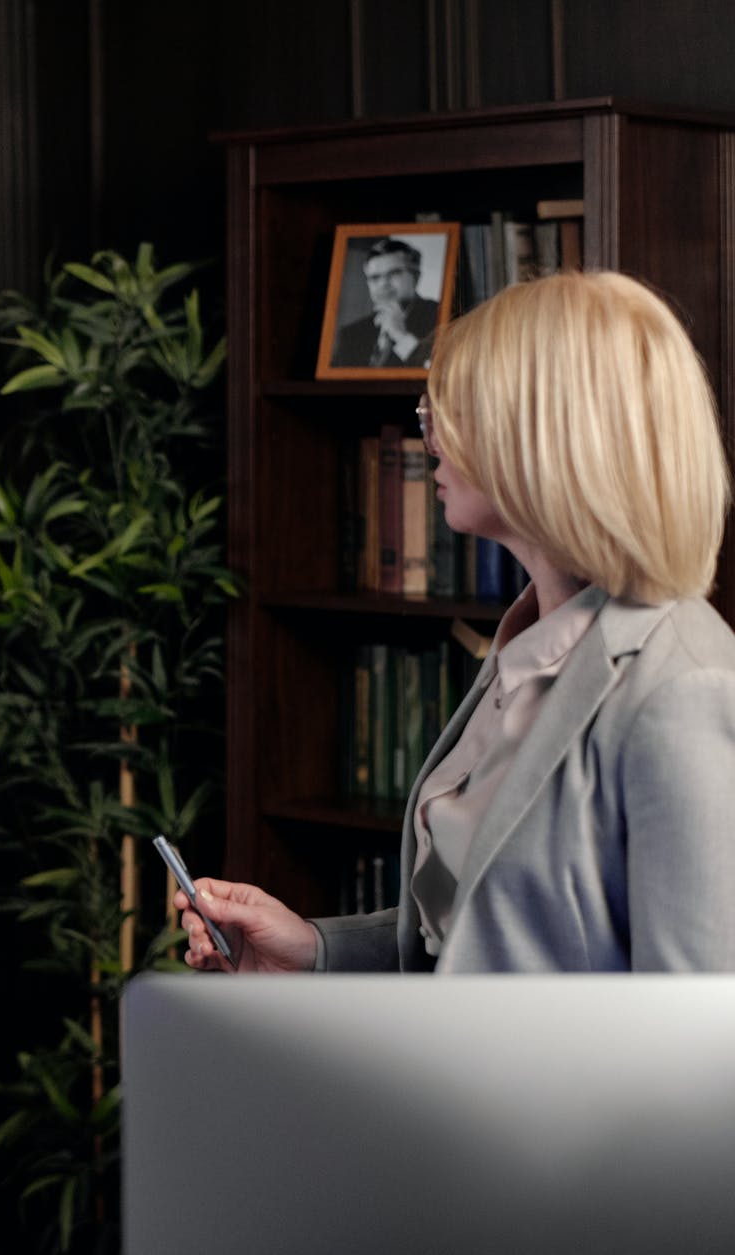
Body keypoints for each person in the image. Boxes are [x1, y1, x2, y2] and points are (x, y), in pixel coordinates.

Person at [187, 270, 735, 974]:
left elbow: (699, 1049)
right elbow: (485, 926)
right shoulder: (530, 644)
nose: (429, 438)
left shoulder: (686, 692)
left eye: (448, 410)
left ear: (542, 433)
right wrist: (316, 949)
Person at [330, 237, 441, 367]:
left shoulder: (440, 315)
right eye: (375, 277)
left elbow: (442, 372)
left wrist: (401, 335)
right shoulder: (351, 334)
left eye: (394, 273)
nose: (383, 284)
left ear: (416, 277)